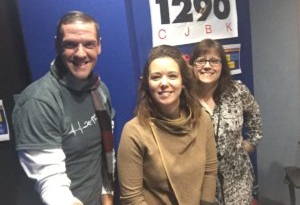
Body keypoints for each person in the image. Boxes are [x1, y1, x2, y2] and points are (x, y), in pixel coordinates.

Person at [12, 11, 115, 205]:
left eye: (89, 44)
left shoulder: (99, 90)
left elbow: (103, 156)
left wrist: (106, 198)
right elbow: (50, 182)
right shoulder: (38, 102)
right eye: (71, 44)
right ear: (57, 45)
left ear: (99, 46)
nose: (81, 53)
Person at [117, 45, 218, 205]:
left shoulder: (202, 120)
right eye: (156, 77)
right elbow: (132, 199)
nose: (164, 83)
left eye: (172, 76)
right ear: (147, 84)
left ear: (183, 82)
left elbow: (210, 171)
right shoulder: (134, 132)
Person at [189, 38, 263, 205]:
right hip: (200, 184)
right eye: (201, 61)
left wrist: (250, 143)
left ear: (222, 66)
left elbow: (255, 117)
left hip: (238, 180)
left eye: (214, 61)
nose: (207, 66)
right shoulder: (184, 98)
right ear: (192, 66)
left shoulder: (237, 91)